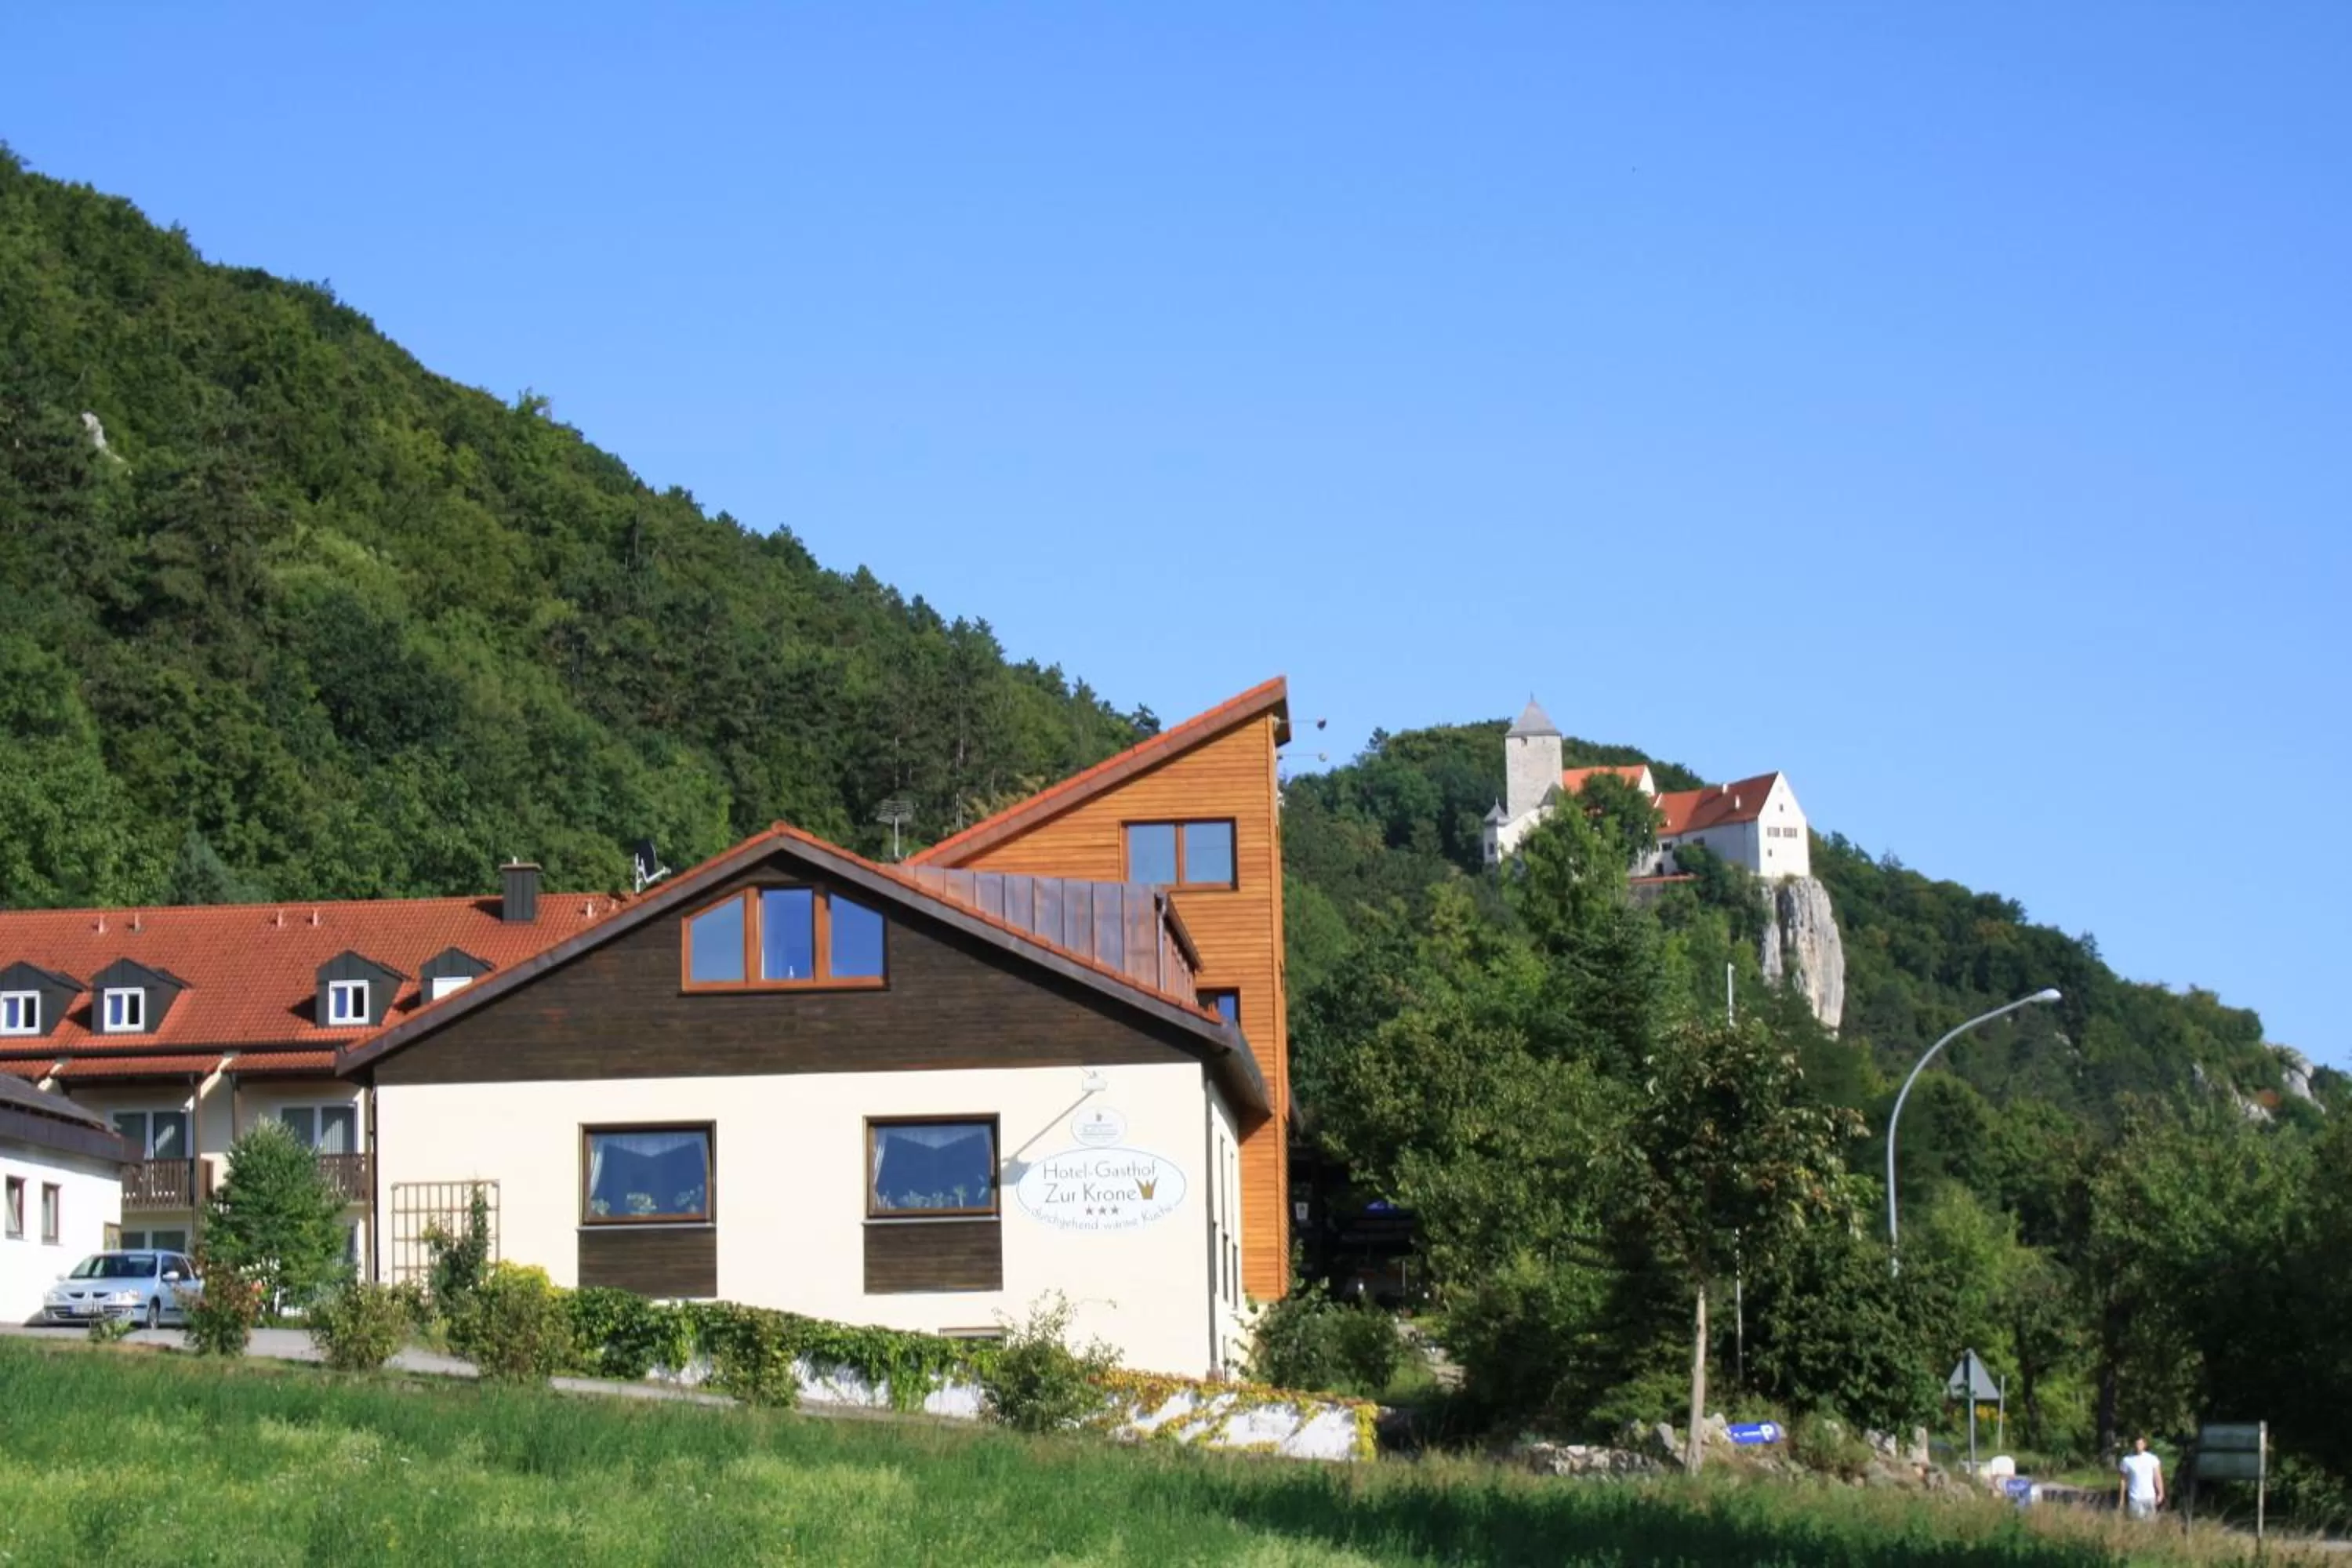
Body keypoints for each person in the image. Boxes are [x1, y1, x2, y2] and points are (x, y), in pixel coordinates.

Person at [2118, 1436, 2165, 1520]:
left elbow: (2157, 1477)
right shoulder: (2127, 1460)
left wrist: (2161, 1493)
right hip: (2135, 1498)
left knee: (2151, 1523)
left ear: (2144, 1445)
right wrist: (2122, 1499)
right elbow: (2123, 1480)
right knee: (2137, 1522)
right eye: (2136, 1444)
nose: (2138, 1446)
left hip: (2149, 1497)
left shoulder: (2152, 1459)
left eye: (2140, 1444)